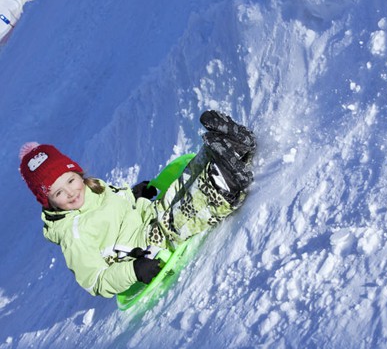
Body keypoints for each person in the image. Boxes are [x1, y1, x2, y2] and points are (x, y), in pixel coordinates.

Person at [19, 110, 256, 299]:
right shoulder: (73, 234)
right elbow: (96, 281)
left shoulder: (91, 187)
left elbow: (115, 203)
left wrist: (133, 195)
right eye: (59, 192)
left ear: (77, 173)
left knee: (178, 189)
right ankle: (224, 188)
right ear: (48, 201)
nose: (71, 192)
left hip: (147, 217)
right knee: (181, 216)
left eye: (71, 180)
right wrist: (133, 270)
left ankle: (228, 148)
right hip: (144, 250)